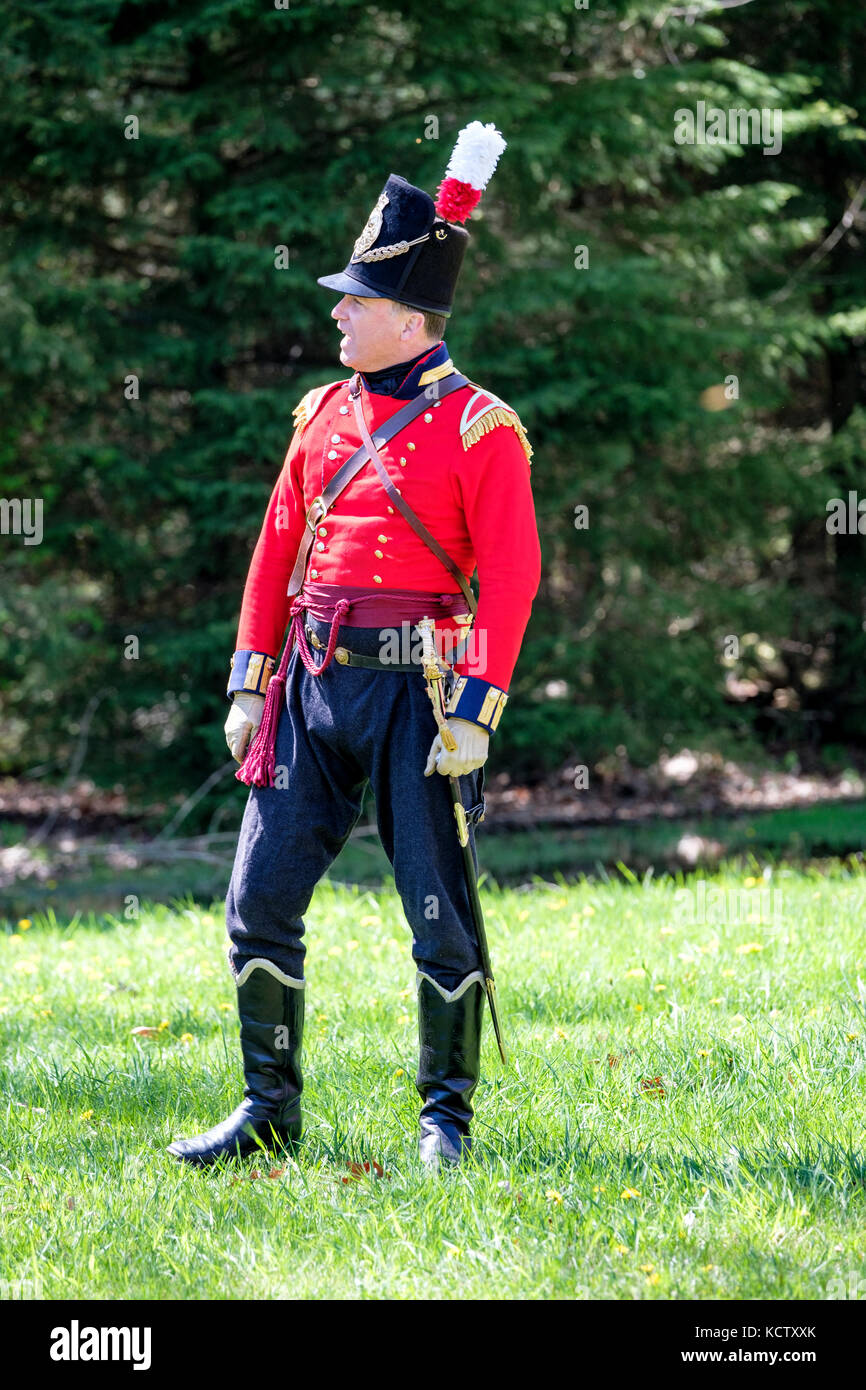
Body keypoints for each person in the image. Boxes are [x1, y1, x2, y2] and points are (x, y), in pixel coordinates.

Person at [168, 123, 542, 1169]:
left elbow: (512, 580)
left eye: (356, 300)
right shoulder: (319, 414)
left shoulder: (481, 428)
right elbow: (272, 549)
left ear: (411, 317)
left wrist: (472, 712)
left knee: (437, 917)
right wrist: (249, 681)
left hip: (416, 701)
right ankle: (268, 1111)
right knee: (258, 902)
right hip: (309, 690)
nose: (335, 311)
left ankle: (444, 1122)